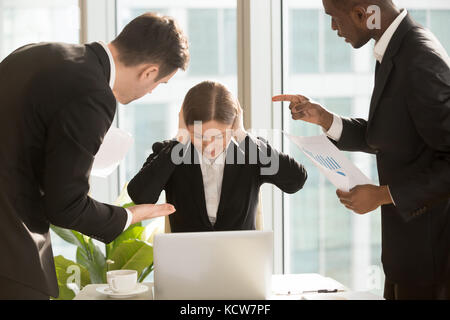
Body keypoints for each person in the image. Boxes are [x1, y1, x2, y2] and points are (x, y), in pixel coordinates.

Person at [0, 12, 189, 299]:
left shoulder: (34, 53)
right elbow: (64, 206)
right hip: (10, 246)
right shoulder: (93, 95)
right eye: (159, 84)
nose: (151, 91)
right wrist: (129, 216)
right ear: (149, 71)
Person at [273, 0, 450, 300]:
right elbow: (397, 135)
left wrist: (382, 195)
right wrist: (326, 119)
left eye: (334, 18)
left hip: (430, 264)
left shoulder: (418, 58)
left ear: (361, 14)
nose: (332, 27)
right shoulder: (395, 49)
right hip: (406, 258)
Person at [128, 81, 307, 232]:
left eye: (220, 135)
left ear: (232, 126)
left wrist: (242, 135)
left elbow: (296, 180)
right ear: (186, 127)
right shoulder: (171, 153)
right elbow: (140, 196)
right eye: (199, 136)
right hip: (187, 267)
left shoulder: (251, 153)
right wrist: (180, 140)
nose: (210, 145)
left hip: (240, 266)